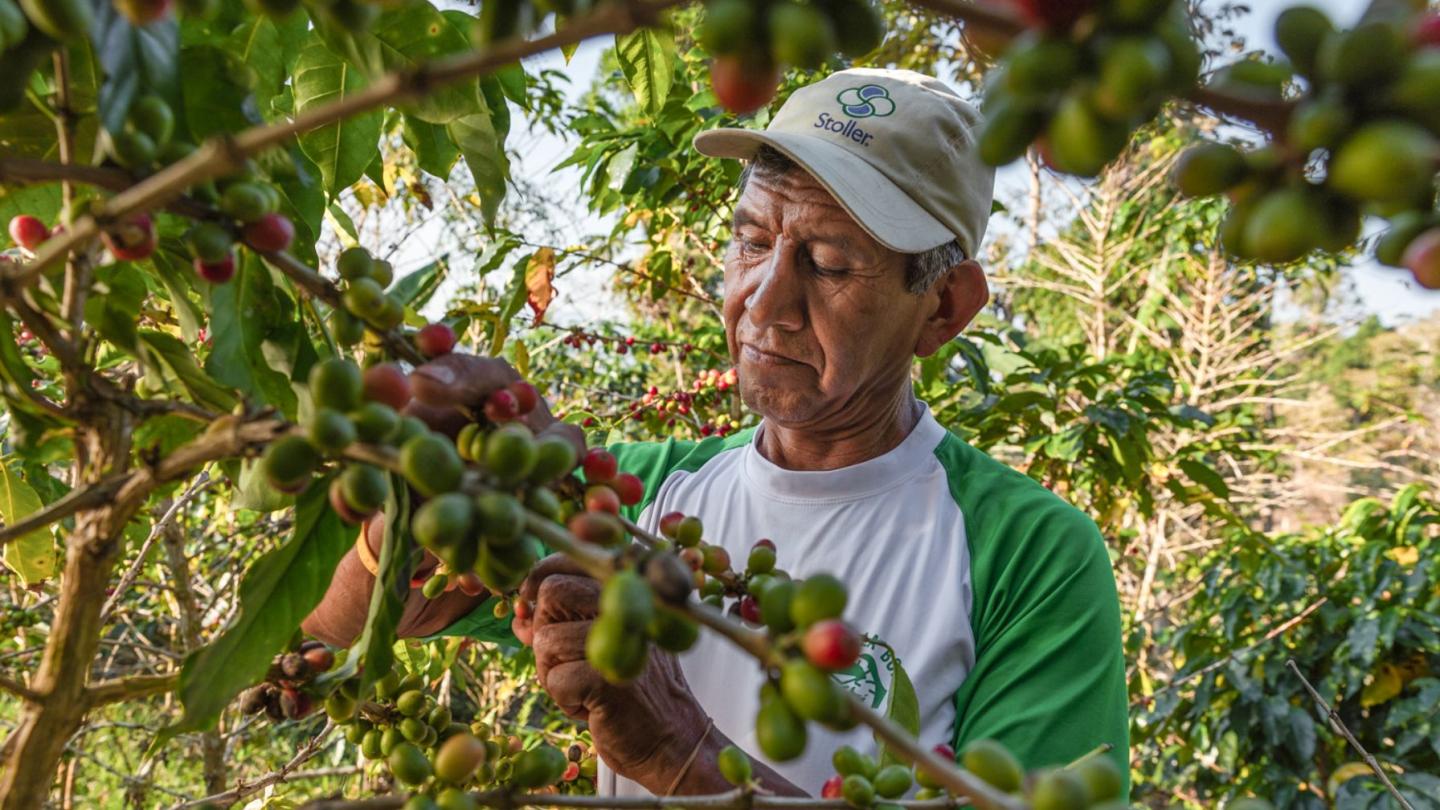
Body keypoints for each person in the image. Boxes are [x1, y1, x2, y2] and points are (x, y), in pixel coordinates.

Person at [304, 67, 1129, 799]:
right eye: (752, 241)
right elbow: (350, 621)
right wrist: (419, 502)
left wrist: (678, 752)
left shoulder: (1026, 555)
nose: (762, 302)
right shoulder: (636, 498)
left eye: (831, 264)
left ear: (943, 306)